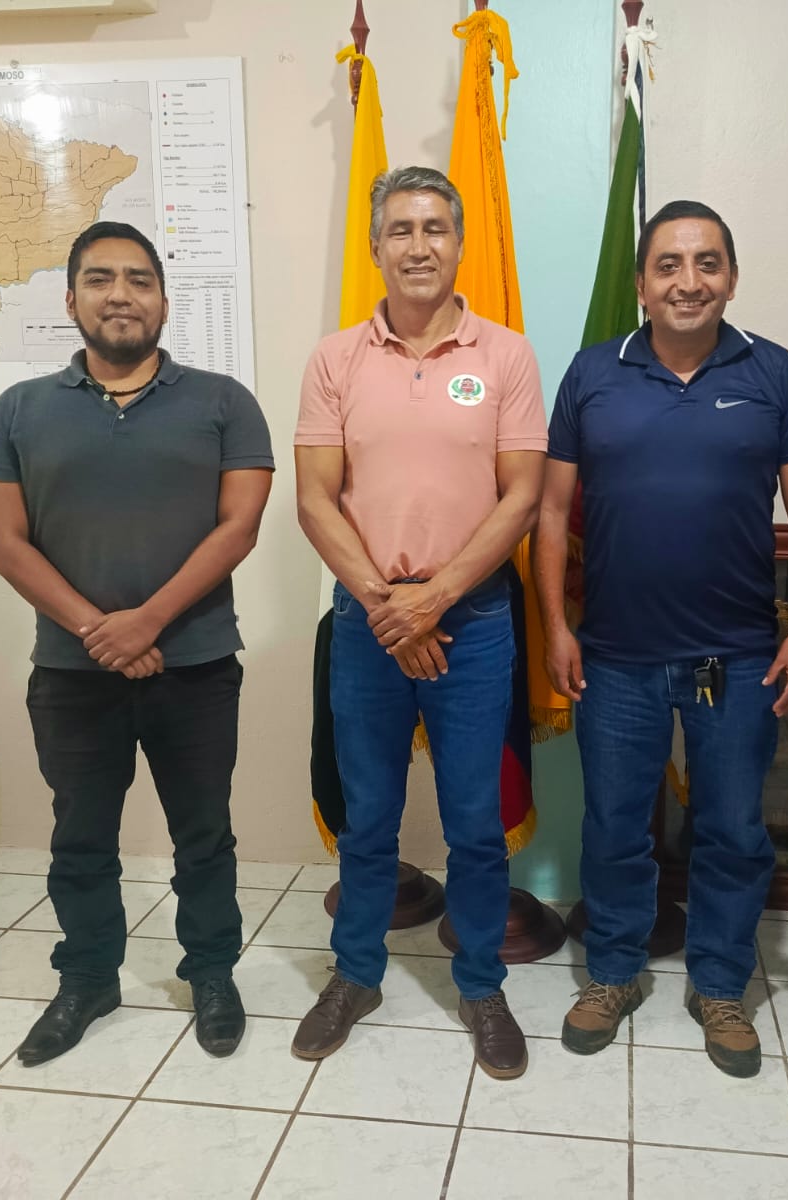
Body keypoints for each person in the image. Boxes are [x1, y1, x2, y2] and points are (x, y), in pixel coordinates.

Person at [535, 200, 788, 1078]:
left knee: (732, 829)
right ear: (641, 283)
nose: (688, 281)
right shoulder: (593, 372)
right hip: (615, 657)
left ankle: (720, 985)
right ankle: (613, 974)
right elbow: (550, 511)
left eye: (707, 263)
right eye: (668, 264)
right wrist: (555, 625)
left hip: (731, 658)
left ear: (731, 278)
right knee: (615, 828)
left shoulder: (771, 370)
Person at [0, 221, 274, 1065]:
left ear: (164, 303)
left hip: (196, 664)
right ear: (71, 300)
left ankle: (211, 973)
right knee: (81, 840)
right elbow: (5, 543)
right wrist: (97, 630)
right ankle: (88, 979)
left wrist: (147, 622)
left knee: (204, 837)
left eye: (140, 280)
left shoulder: (224, 403)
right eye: (101, 279)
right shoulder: (19, 410)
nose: (121, 295)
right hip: (72, 672)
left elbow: (239, 527)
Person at [292, 166, 547, 1080]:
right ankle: (355, 975)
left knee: (475, 823)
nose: (418, 245)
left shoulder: (506, 356)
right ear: (375, 248)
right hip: (368, 621)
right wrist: (388, 606)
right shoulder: (335, 360)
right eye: (400, 229)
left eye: (435, 227)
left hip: (471, 621)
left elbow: (522, 497)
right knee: (369, 819)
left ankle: (480, 985)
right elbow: (315, 500)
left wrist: (432, 601)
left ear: (460, 243)